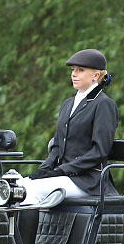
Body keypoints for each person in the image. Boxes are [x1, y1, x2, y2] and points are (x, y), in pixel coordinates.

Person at [18, 48, 118, 204]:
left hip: (88, 181)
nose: (74, 74)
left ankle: (31, 230)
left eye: (80, 70)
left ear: (96, 75)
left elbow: (100, 151)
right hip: (65, 177)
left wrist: (62, 170)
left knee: (31, 190)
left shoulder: (104, 104)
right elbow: (57, 145)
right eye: (73, 70)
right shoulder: (67, 104)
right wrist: (42, 172)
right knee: (17, 186)